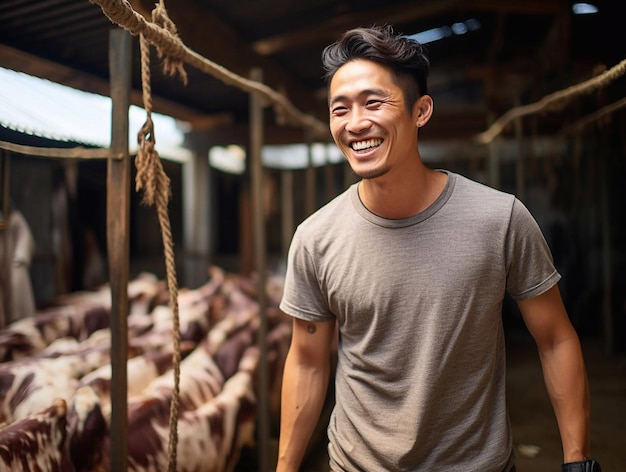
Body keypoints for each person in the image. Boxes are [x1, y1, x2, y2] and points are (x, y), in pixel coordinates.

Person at [276, 25, 600, 472]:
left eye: (374, 102)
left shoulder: (500, 219)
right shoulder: (315, 238)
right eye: (340, 109)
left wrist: (577, 460)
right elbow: (309, 362)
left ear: (421, 110)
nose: (355, 123)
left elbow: (555, 338)